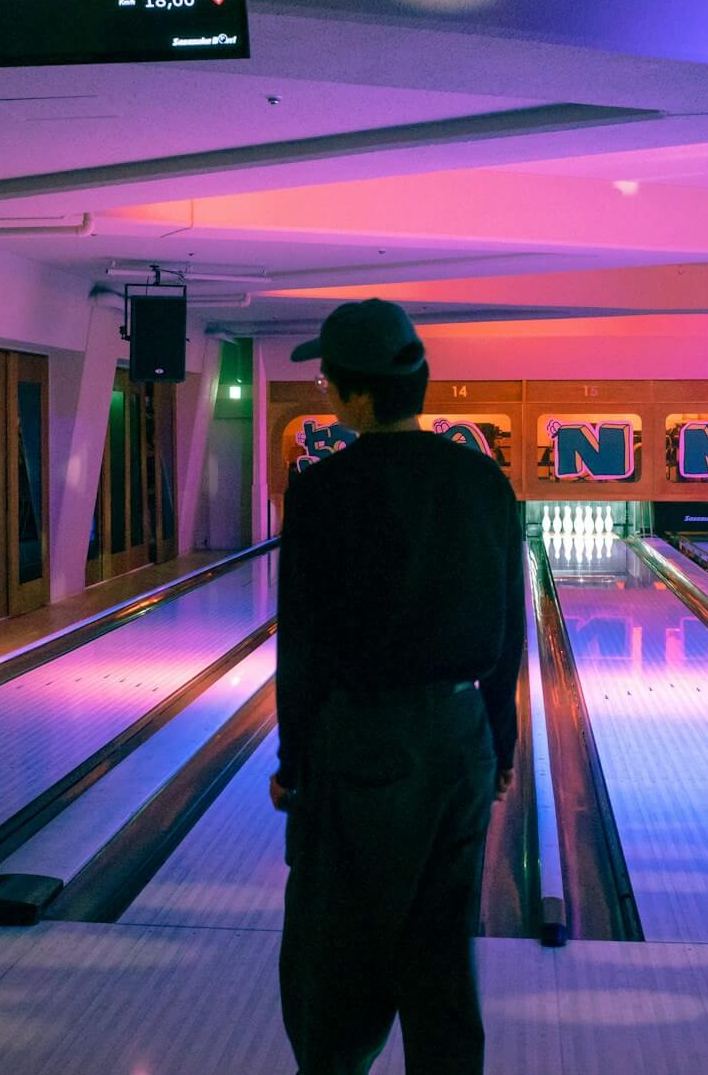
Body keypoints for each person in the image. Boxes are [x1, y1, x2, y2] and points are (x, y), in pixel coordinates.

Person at [271, 298, 524, 1075]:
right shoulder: (485, 482)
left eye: (325, 383)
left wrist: (293, 760)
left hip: (362, 745)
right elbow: (508, 627)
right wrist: (501, 741)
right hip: (460, 741)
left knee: (339, 946)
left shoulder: (321, 491)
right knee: (441, 946)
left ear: (356, 396)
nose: (322, 394)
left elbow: (303, 645)